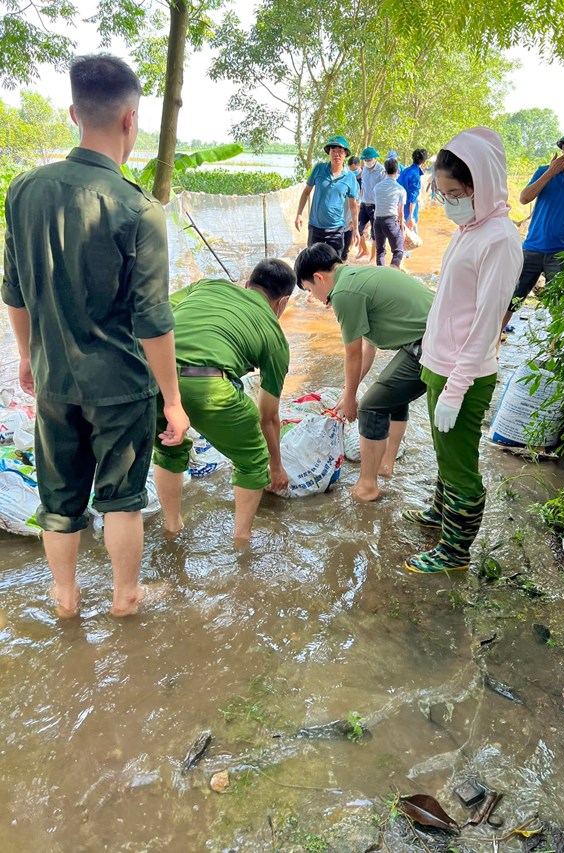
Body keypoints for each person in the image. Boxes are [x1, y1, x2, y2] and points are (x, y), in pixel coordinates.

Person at [1, 54, 189, 618]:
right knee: (122, 501)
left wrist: (26, 358)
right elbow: (152, 317)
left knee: (58, 501)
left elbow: (14, 289)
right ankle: (125, 597)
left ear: (72, 113)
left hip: (54, 379)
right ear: (131, 119)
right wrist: (174, 402)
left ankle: (64, 600)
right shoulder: (138, 208)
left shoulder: (24, 189)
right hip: (120, 385)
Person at [402, 127, 523, 574]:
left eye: (455, 193)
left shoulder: (500, 239)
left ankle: (455, 552)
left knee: (460, 467)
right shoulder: (468, 229)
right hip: (441, 363)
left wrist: (456, 388)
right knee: (444, 452)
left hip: (464, 375)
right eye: (443, 192)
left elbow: (487, 321)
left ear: (482, 186)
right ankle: (440, 514)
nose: (448, 202)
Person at [153, 260, 295, 544]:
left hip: (151, 374)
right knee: (253, 460)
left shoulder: (208, 285)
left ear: (247, 284)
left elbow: (156, 316)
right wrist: (275, 467)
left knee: (169, 448)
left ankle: (173, 526)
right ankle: (241, 541)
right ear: (283, 303)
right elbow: (268, 417)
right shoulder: (276, 338)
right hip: (206, 384)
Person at [294, 244, 434, 502]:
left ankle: (367, 486)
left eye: (310, 290)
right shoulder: (360, 277)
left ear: (319, 278)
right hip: (434, 335)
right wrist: (349, 391)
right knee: (389, 395)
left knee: (371, 406)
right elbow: (368, 346)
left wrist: (352, 400)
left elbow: (353, 353)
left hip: (435, 344)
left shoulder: (344, 293)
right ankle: (385, 465)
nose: (314, 297)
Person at [501, 125, 564, 333]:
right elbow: (524, 197)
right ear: (562, 147)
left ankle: (553, 350)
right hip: (532, 247)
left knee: (559, 304)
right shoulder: (542, 171)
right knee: (513, 297)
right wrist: (550, 172)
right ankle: (493, 344)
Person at [295, 135, 359, 257]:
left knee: (334, 266)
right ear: (328, 153)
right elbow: (306, 192)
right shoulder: (319, 169)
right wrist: (299, 214)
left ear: (346, 154)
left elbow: (353, 205)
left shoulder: (350, 177)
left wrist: (356, 229)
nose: (337, 155)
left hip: (336, 229)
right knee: (313, 264)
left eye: (340, 151)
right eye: (333, 151)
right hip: (315, 227)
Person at [373, 158, 406, 268]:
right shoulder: (400, 189)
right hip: (391, 221)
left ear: (385, 172)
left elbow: (377, 204)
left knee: (380, 251)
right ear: (398, 172)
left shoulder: (377, 188)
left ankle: (381, 276)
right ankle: (392, 273)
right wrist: (402, 227)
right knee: (398, 251)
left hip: (377, 221)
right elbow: (400, 212)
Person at [356, 146, 385, 259]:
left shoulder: (381, 171)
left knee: (375, 234)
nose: (367, 162)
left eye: (369, 160)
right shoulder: (364, 171)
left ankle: (373, 257)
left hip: (375, 206)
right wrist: (359, 200)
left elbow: (383, 189)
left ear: (375, 159)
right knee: (358, 229)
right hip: (364, 204)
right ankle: (365, 251)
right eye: (365, 160)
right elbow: (362, 187)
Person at [397, 147, 429, 234]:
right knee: (411, 241)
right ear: (424, 162)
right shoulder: (415, 175)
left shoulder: (405, 171)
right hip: (408, 212)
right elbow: (413, 197)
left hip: (399, 209)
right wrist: (411, 217)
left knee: (400, 239)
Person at [342, 156, 362, 261]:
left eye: (354, 170)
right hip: (335, 223)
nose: (352, 172)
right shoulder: (340, 182)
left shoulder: (356, 185)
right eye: (351, 170)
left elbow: (356, 206)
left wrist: (355, 223)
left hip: (349, 222)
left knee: (345, 251)